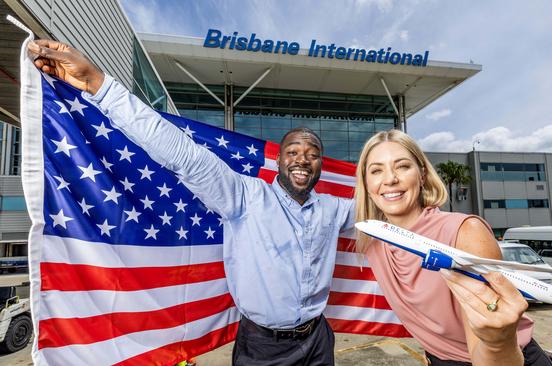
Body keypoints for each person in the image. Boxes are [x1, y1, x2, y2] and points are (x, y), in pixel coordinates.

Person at [29, 40, 355, 366]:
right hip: (263, 348)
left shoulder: (332, 209)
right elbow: (184, 155)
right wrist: (97, 84)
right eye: (293, 152)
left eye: (312, 155)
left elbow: (382, 213)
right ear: (280, 160)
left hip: (318, 340)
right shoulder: (245, 196)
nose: (303, 160)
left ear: (320, 165)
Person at [354, 130, 552, 366]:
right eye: (377, 170)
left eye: (402, 166)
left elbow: (487, 353)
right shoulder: (374, 240)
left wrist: (496, 342)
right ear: (367, 184)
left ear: (422, 175)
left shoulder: (464, 232)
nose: (390, 179)